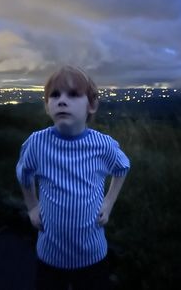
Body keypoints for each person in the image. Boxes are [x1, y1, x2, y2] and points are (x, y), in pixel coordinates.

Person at [16, 65, 130, 290]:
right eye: (55, 95)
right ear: (47, 106)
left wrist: (108, 203)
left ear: (92, 105)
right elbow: (24, 174)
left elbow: (122, 168)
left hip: (92, 255)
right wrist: (32, 207)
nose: (62, 100)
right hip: (50, 256)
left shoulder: (102, 145)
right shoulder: (37, 143)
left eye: (73, 94)